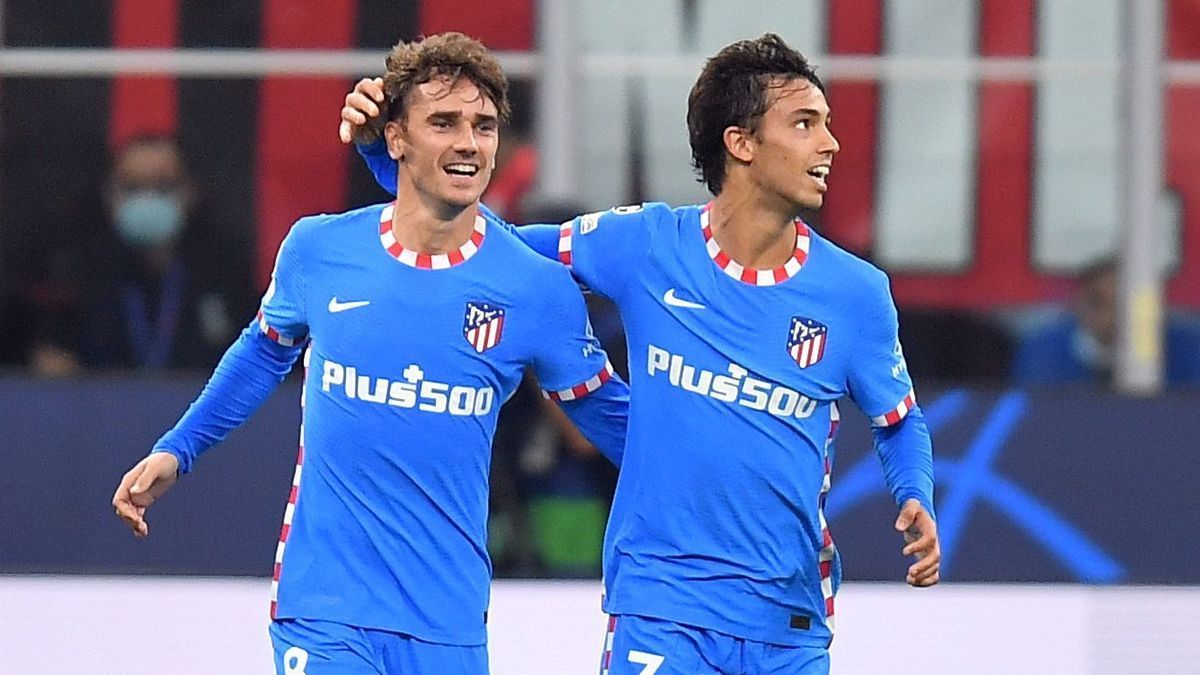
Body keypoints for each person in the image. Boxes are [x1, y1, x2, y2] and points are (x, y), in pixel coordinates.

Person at [344, 33, 939, 675]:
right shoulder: (646, 245)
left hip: (786, 621)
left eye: (826, 125)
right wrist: (391, 164)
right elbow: (496, 251)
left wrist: (915, 494)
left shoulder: (855, 293)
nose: (830, 144)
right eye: (804, 124)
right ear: (740, 143)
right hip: (661, 607)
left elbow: (898, 420)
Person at [112, 33, 629, 675]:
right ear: (395, 138)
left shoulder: (535, 288)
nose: (468, 141)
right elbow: (261, 355)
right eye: (443, 122)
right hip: (326, 609)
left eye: (484, 125)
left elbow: (618, 424)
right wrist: (179, 448)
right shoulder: (319, 249)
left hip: (449, 621)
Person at [1012, 257, 1200, 387]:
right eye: (1098, 302)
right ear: (1077, 303)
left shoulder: (1188, 348)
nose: (1111, 315)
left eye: (1123, 304)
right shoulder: (1045, 350)